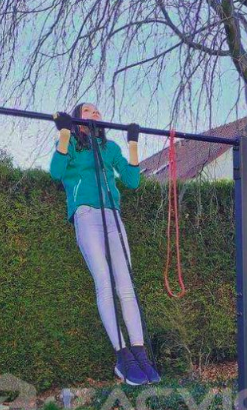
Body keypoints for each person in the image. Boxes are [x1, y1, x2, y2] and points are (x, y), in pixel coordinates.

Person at [50, 102, 159, 386]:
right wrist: (64, 134)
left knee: (126, 285)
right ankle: (122, 356)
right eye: (88, 111)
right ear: (78, 119)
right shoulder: (72, 145)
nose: (95, 113)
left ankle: (139, 353)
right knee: (104, 283)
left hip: (113, 214)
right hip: (86, 213)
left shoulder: (109, 148)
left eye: (98, 111)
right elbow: (56, 172)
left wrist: (132, 143)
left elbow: (132, 181)